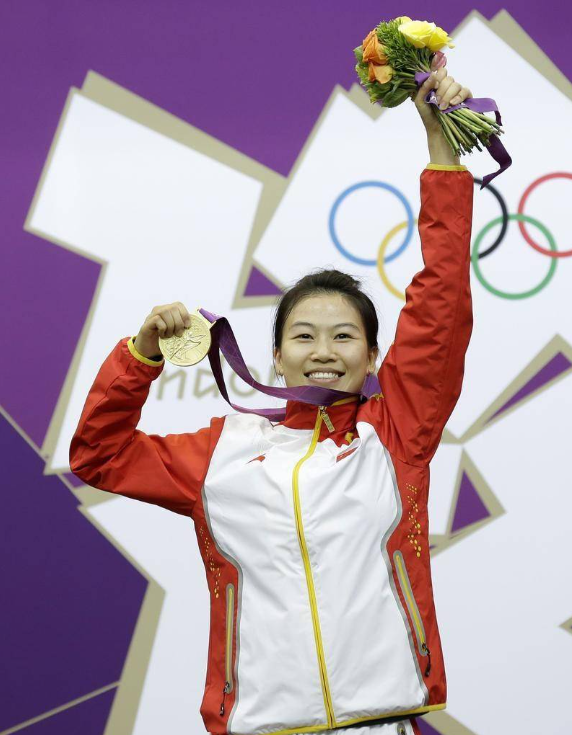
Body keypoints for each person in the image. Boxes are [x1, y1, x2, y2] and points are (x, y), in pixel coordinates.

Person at [70, 63, 474, 735]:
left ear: (373, 356)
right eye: (304, 335)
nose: (324, 350)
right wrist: (140, 357)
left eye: (344, 335)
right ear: (276, 356)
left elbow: (441, 304)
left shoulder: (395, 432)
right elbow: (98, 455)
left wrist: (441, 151)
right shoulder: (220, 453)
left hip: (383, 721)